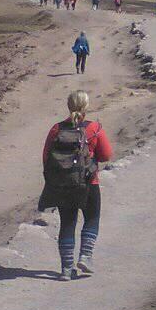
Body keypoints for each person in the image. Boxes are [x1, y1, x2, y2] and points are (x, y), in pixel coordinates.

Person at [39, 91, 113, 279]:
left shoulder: (57, 129)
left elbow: (46, 157)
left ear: (68, 105)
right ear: (86, 106)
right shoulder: (94, 128)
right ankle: (85, 257)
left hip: (64, 184)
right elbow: (106, 155)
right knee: (92, 218)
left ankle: (66, 269)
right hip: (89, 182)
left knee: (67, 223)